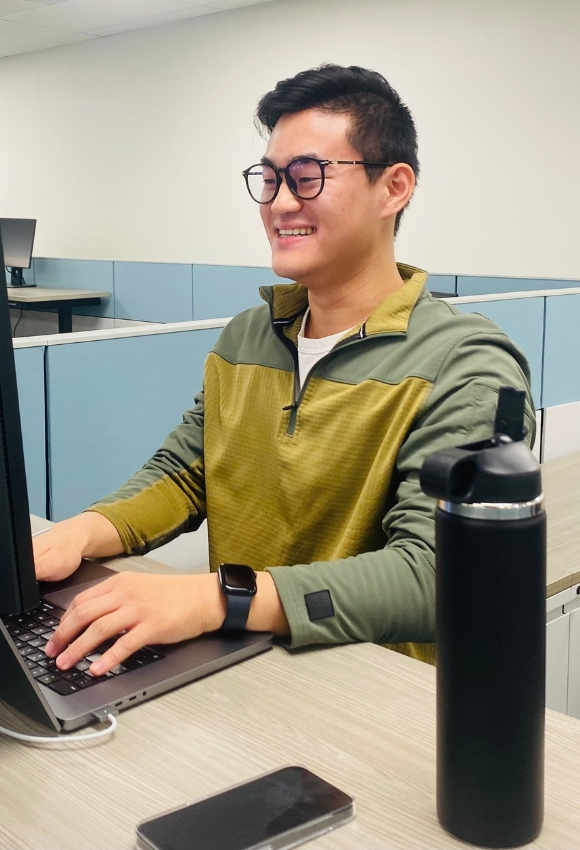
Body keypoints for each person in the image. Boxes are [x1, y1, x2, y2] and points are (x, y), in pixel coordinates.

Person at [35, 64, 535, 677]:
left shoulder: (466, 364)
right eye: (269, 180)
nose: (279, 203)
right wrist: (80, 534)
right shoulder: (248, 335)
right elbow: (188, 473)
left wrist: (218, 596)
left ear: (394, 187)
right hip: (241, 671)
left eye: (307, 177)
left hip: (370, 697)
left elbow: (438, 575)